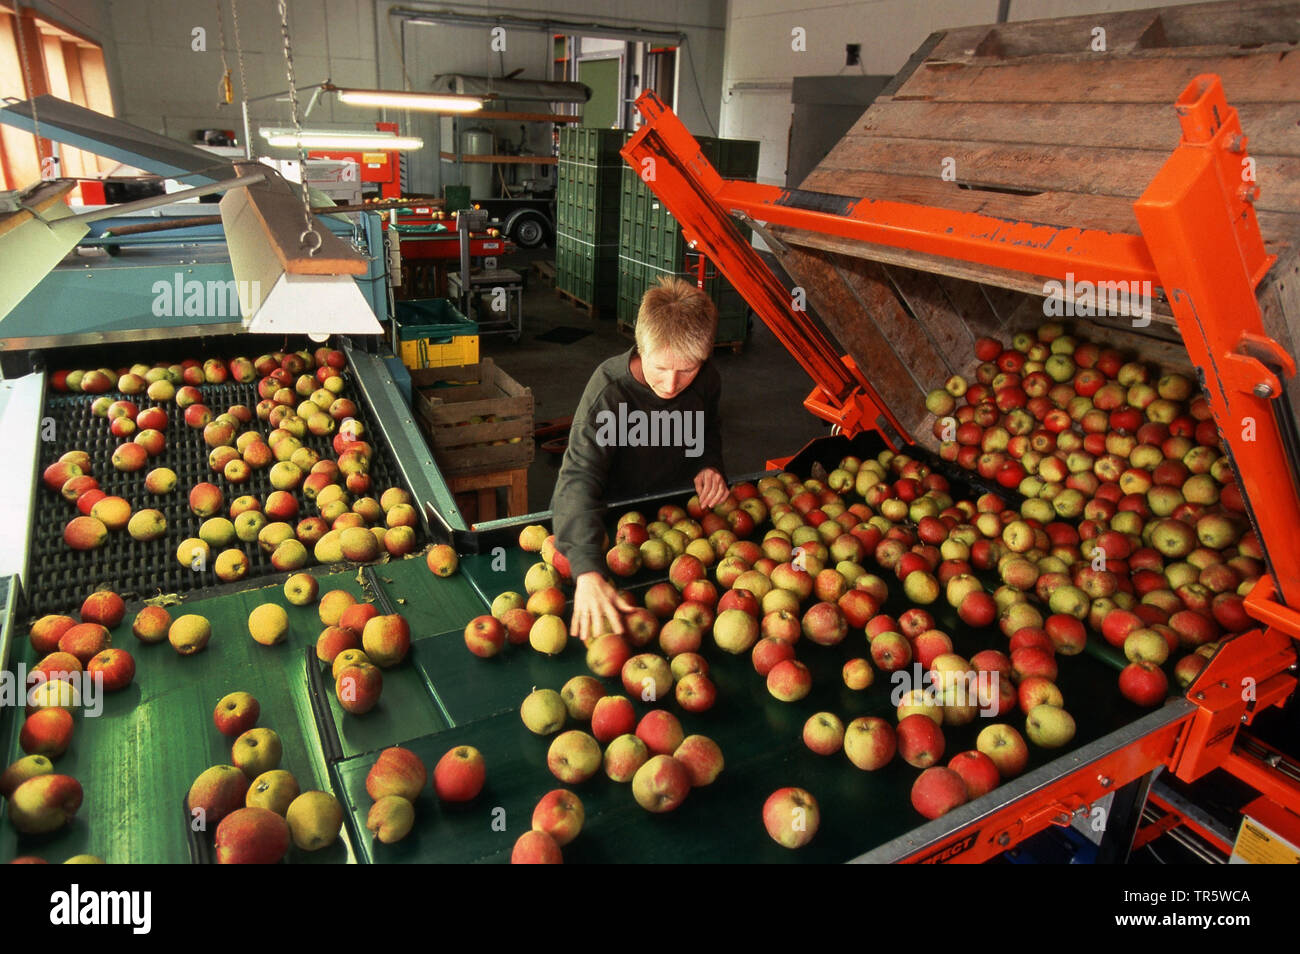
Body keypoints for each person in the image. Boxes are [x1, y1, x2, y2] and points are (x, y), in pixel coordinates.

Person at [551, 276, 730, 642]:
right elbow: (578, 478)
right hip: (614, 530)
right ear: (640, 347)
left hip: (680, 526)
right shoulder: (610, 394)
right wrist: (586, 568)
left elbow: (707, 429)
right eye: (660, 368)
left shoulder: (707, 381)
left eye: (687, 369)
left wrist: (708, 464)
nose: (671, 384)